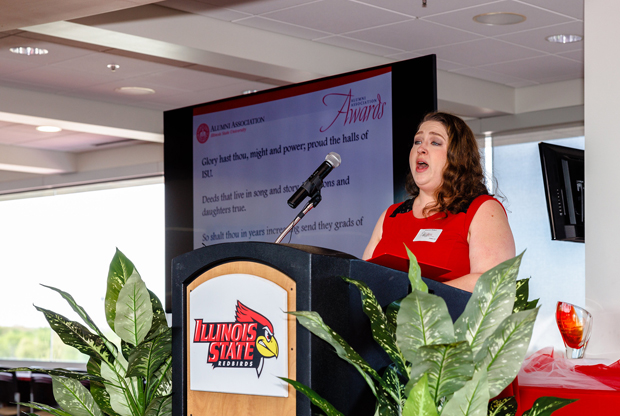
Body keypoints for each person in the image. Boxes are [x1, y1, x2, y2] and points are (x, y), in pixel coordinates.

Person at [363, 112, 515, 292]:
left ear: (458, 157)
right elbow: (362, 279)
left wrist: (416, 302)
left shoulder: (481, 209)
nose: (421, 148)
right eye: (418, 141)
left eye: (435, 142)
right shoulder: (391, 215)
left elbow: (492, 284)